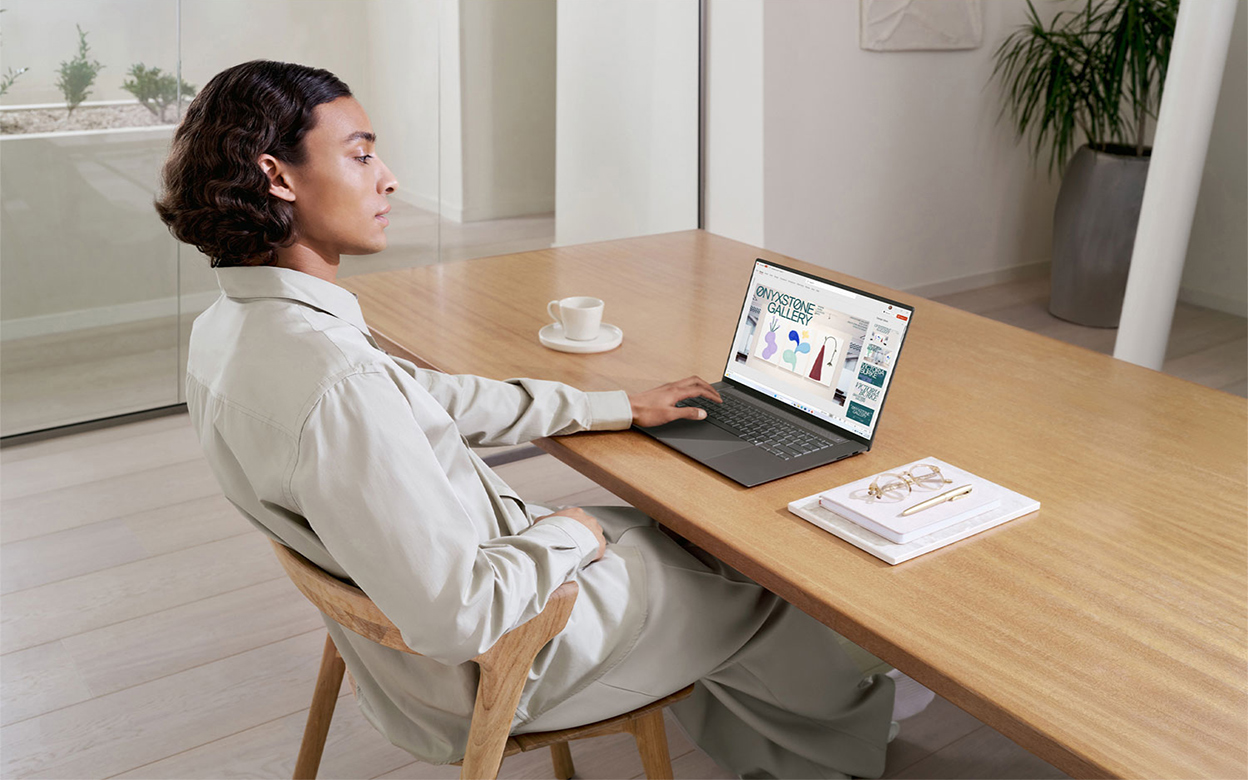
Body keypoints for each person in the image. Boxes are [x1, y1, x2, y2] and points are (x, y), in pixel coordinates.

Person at [156, 60, 896, 779]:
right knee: (773, 575)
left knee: (680, 535)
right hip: (509, 653)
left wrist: (619, 408)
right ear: (277, 176)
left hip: (436, 630)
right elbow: (455, 617)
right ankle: (837, 742)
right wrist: (569, 533)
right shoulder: (337, 379)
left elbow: (438, 401)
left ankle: (778, 722)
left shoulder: (233, 332)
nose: (388, 177)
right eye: (361, 155)